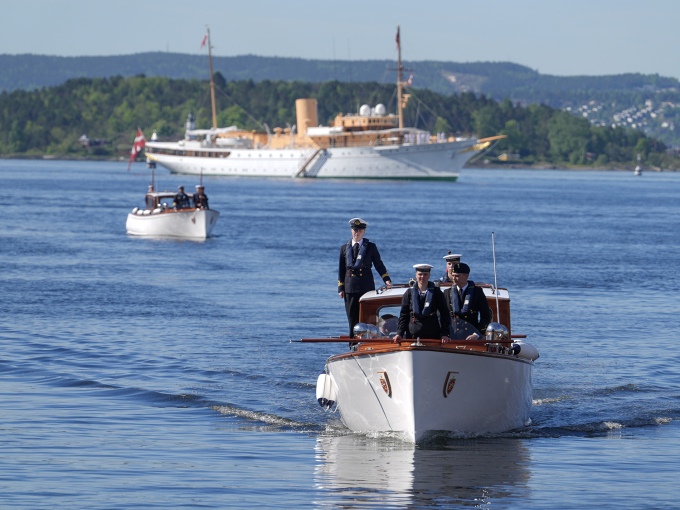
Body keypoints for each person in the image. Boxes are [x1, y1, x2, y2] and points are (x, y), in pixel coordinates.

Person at [338, 218, 392, 338]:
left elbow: (379, 264)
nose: (357, 232)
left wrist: (386, 279)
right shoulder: (344, 248)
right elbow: (341, 269)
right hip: (350, 288)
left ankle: (369, 345)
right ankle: (353, 345)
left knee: (368, 319)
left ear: (364, 231)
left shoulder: (371, 247)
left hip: (366, 287)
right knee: (352, 320)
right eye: (355, 230)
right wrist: (340, 288)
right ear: (351, 230)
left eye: (360, 230)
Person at [394, 264, 451, 342]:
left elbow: (444, 314)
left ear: (429, 275)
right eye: (420, 274)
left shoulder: (437, 292)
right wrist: (399, 333)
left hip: (433, 334)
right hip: (412, 335)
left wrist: (445, 334)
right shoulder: (409, 293)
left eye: (425, 274)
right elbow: (404, 315)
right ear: (416, 275)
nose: (422, 277)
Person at [443, 262, 492, 341]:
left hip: (471, 338)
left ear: (466, 276)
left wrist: (477, 334)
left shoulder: (477, 292)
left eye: (457, 276)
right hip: (451, 338)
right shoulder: (447, 293)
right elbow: (442, 316)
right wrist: (444, 334)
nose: (454, 278)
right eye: (453, 275)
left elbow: (486, 317)